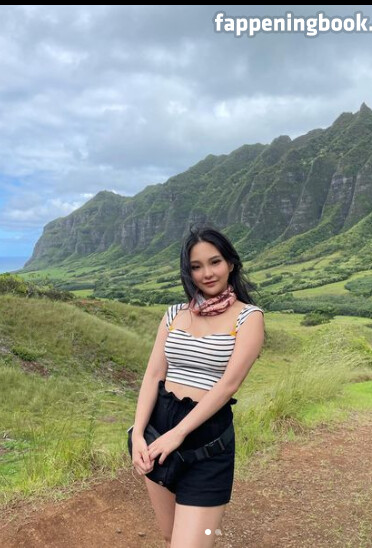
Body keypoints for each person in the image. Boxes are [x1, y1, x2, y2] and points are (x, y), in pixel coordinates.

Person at [131, 223, 265, 548]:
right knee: (169, 535)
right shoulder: (174, 314)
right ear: (187, 271)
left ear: (230, 263)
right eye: (196, 266)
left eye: (214, 261)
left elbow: (228, 385)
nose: (207, 273)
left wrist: (178, 434)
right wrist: (137, 435)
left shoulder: (249, 317)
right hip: (158, 437)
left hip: (207, 445)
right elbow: (153, 375)